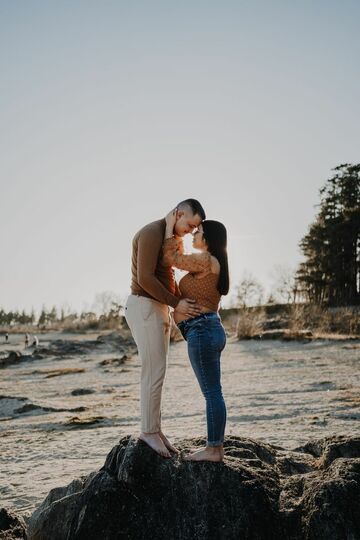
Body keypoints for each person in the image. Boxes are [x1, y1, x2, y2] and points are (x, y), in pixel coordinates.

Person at [124, 199, 206, 458]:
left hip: (157, 308)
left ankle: (154, 429)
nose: (192, 231)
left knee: (158, 371)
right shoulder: (151, 232)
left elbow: (169, 274)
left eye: (196, 229)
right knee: (153, 370)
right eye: (191, 224)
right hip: (144, 306)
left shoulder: (171, 237)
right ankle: (148, 432)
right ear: (179, 213)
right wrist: (175, 303)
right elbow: (145, 278)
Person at [162, 210, 229, 462]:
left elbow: (170, 257)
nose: (194, 234)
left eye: (198, 232)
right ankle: (215, 447)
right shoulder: (213, 264)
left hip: (202, 330)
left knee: (212, 393)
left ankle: (214, 449)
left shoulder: (205, 259)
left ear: (209, 239)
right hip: (207, 329)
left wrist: (171, 227)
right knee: (214, 392)